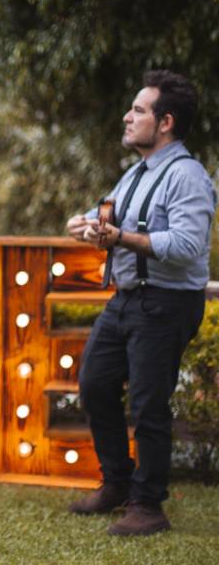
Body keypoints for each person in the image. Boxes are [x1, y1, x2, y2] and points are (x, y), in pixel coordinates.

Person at [66, 70, 215, 536]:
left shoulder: (187, 176)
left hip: (167, 304)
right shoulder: (136, 173)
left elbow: (189, 245)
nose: (127, 117)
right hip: (127, 300)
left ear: (165, 122)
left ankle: (148, 507)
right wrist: (84, 224)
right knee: (94, 383)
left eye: (139, 110)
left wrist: (121, 237)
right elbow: (107, 216)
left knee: (149, 405)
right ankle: (117, 483)